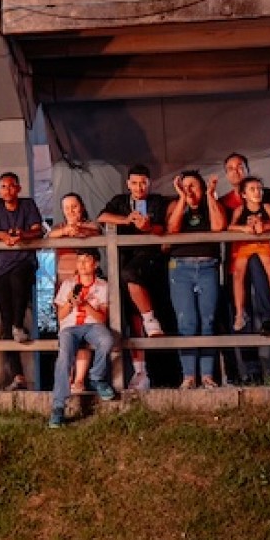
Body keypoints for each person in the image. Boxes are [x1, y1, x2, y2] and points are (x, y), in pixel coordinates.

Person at [97, 164, 167, 391]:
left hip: (149, 263)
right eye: (135, 183)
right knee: (131, 320)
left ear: (150, 183)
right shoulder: (119, 201)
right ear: (128, 184)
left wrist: (147, 227)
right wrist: (126, 220)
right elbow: (102, 216)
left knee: (149, 313)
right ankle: (139, 372)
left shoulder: (158, 201)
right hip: (123, 262)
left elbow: (164, 229)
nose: (139, 187)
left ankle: (151, 320)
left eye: (143, 182)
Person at [0, 171, 43, 391]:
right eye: (3, 187)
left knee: (19, 281)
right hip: (0, 268)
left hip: (23, 262)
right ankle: (17, 375)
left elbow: (38, 230)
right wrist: (3, 237)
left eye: (11, 186)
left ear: (18, 188)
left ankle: (19, 324)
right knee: (4, 321)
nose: (7, 190)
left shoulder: (27, 205)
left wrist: (21, 235)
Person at [166, 169, 227, 390]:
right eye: (185, 185)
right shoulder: (176, 206)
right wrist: (182, 198)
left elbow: (219, 227)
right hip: (180, 268)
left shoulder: (211, 205)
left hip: (208, 265)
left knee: (208, 321)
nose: (189, 190)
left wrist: (211, 196)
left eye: (194, 186)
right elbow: (172, 229)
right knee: (186, 322)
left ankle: (208, 375)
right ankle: (189, 375)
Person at [47, 248, 117, 428]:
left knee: (107, 340)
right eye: (79, 261)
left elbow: (102, 317)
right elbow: (61, 316)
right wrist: (70, 303)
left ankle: (96, 377)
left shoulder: (102, 285)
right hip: (70, 327)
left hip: (93, 325)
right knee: (64, 357)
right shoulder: (68, 284)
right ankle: (58, 406)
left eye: (86, 260)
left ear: (95, 264)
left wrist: (85, 305)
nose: (82, 265)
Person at [47, 192, 102, 396]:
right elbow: (49, 236)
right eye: (67, 208)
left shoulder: (91, 227)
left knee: (84, 329)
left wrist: (78, 230)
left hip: (86, 285)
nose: (71, 211)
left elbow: (97, 230)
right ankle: (67, 377)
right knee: (66, 333)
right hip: (64, 286)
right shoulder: (59, 229)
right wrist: (65, 232)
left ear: (82, 207)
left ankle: (80, 379)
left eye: (75, 207)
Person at [225, 175, 270, 334]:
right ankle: (239, 313)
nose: (257, 192)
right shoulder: (240, 210)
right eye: (252, 189)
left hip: (263, 243)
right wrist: (244, 229)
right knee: (238, 274)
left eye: (259, 189)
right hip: (245, 245)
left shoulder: (267, 207)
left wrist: (264, 226)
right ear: (244, 194)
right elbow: (230, 227)